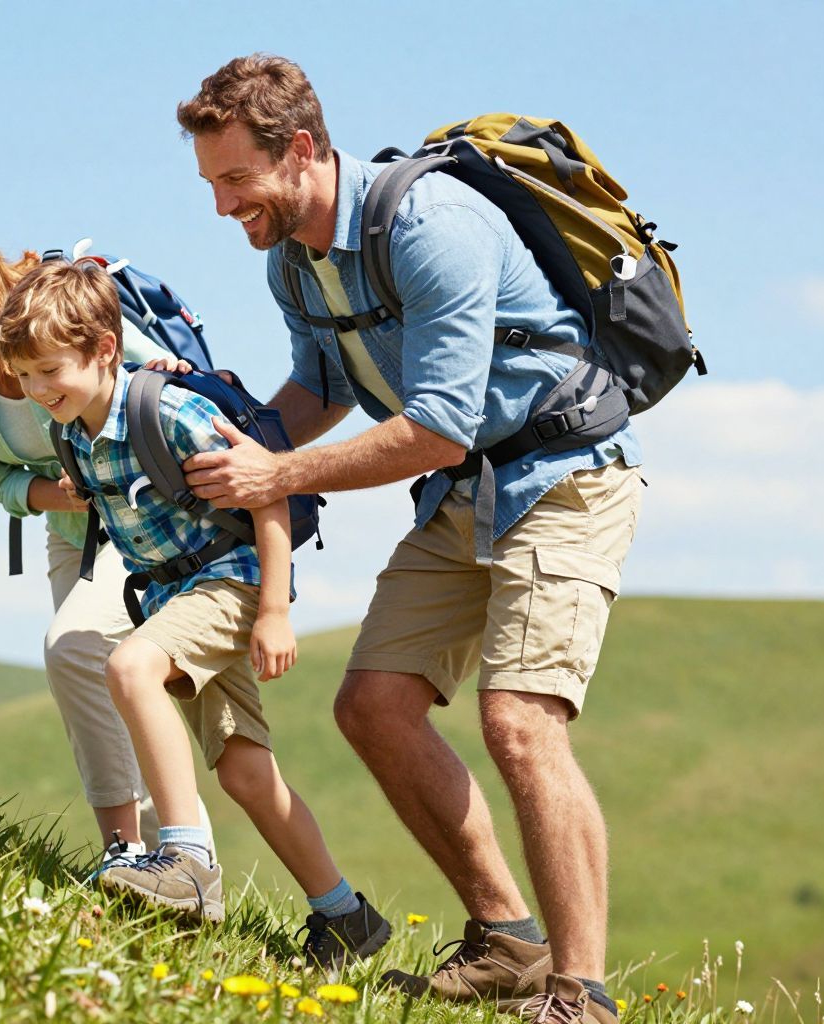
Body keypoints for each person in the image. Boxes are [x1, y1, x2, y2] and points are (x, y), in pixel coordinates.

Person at [174, 55, 644, 1022]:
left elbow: (436, 424)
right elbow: (318, 392)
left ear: (299, 150)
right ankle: (507, 941)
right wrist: (214, 454)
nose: (223, 206)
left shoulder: (432, 227)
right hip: (467, 489)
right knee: (374, 705)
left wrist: (279, 475)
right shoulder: (292, 260)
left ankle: (581, 994)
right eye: (210, 183)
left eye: (235, 180)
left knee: (520, 724)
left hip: (564, 476)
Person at [0, 258, 392, 966]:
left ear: (105, 350)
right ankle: (344, 914)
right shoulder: (74, 436)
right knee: (244, 772)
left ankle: (187, 863)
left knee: (132, 665)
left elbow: (267, 492)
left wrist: (273, 610)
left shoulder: (170, 410)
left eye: (51, 370)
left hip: (232, 581)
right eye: (25, 376)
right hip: (175, 594)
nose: (37, 389)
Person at [0, 190, 213, 871]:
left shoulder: (52, 300)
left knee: (72, 652)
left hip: (145, 519)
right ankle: (151, 867)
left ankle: (149, 854)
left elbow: (157, 376)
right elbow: (0, 483)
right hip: (70, 535)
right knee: (94, 685)